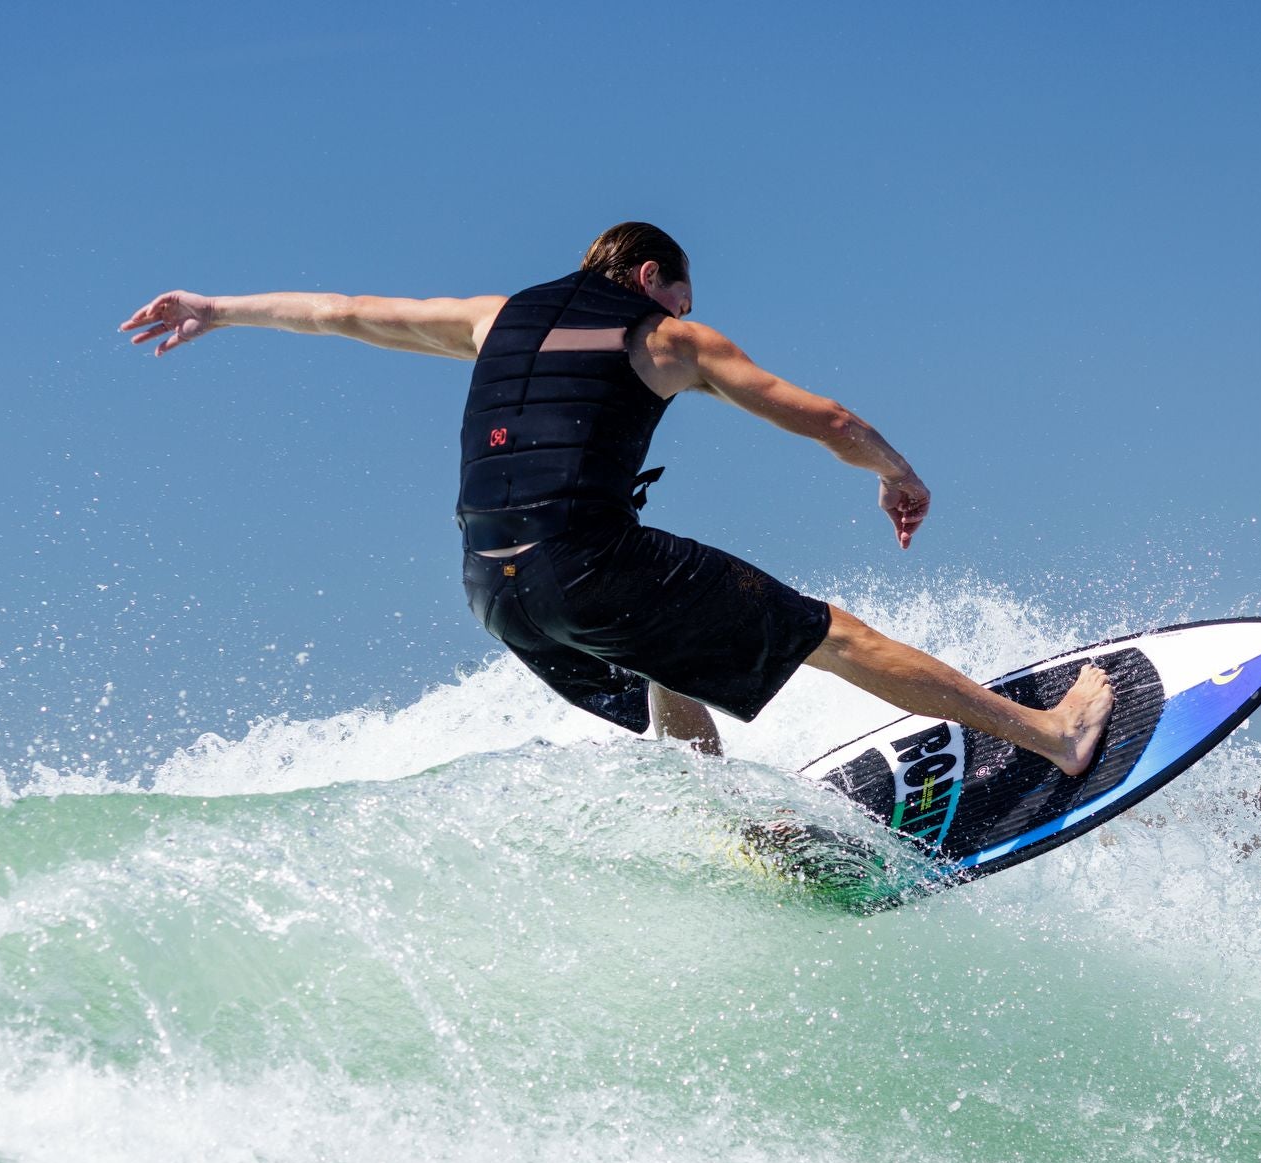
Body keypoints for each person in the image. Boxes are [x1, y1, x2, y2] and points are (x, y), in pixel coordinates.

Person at [121, 223, 1113, 774]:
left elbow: (341, 314)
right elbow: (829, 417)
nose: (686, 314)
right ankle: (1048, 734)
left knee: (657, 665)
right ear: (650, 278)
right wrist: (895, 472)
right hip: (580, 559)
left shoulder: (493, 317)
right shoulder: (665, 336)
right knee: (828, 633)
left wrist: (220, 308)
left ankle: (741, 836)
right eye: (678, 295)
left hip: (491, 586)